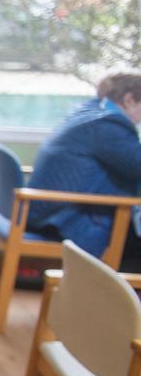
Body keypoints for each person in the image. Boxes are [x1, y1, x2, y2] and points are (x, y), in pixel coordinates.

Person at [26, 73, 141, 271]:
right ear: (129, 100)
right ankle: (114, 298)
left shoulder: (91, 111)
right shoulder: (108, 125)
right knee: (133, 241)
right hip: (64, 219)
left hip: (47, 210)